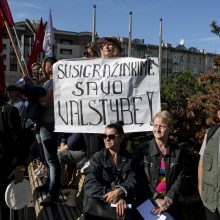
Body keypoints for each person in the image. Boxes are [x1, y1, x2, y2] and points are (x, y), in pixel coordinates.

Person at [80, 36, 122, 174]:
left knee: (109, 140)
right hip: (97, 108)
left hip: (113, 109)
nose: (106, 47)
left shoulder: (122, 64)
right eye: (104, 45)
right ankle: (91, 159)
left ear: (115, 48)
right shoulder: (95, 65)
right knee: (90, 130)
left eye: (110, 45)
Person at [134, 111, 184, 220]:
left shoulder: (177, 151)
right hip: (146, 202)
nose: (157, 129)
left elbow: (180, 178)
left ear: (170, 128)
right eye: (155, 125)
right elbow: (140, 179)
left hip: (168, 203)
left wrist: (167, 200)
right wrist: (156, 198)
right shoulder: (142, 150)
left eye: (161, 126)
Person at [81, 121, 136, 220]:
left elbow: (132, 180)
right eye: (104, 136)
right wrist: (114, 195)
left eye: (111, 136)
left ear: (121, 137)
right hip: (99, 205)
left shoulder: (130, 158)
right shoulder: (97, 158)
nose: (107, 139)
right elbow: (90, 184)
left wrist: (121, 190)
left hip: (121, 206)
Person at [36, 57, 61, 206]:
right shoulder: (46, 82)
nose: (43, 68)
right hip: (41, 124)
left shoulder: (55, 82)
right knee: (45, 159)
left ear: (51, 67)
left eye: (45, 65)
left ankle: (53, 193)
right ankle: (48, 184)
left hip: (48, 123)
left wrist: (33, 96)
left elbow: (45, 102)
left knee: (51, 160)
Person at [0, 93, 25, 219]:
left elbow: (19, 142)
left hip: (6, 168)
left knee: (8, 206)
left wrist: (19, 168)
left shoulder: (9, 110)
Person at [198, 105, 220, 220]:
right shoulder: (210, 133)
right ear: (219, 114)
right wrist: (200, 187)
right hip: (211, 201)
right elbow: (202, 161)